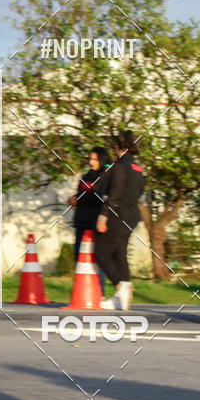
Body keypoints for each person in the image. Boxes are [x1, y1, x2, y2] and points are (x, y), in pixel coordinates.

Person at [96, 130, 145, 311]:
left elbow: (114, 192)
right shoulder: (138, 168)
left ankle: (121, 287)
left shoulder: (118, 166)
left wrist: (104, 214)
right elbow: (140, 190)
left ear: (117, 147)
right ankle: (121, 299)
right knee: (120, 253)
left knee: (100, 252)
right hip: (132, 216)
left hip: (117, 214)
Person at [68, 147, 111, 295]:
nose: (91, 162)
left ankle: (100, 293)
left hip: (95, 223)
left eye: (94, 159)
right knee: (79, 258)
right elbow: (81, 193)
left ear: (101, 160)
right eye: (90, 158)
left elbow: (100, 198)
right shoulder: (86, 176)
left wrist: (80, 199)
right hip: (81, 222)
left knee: (96, 260)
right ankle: (82, 293)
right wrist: (74, 198)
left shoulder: (106, 177)